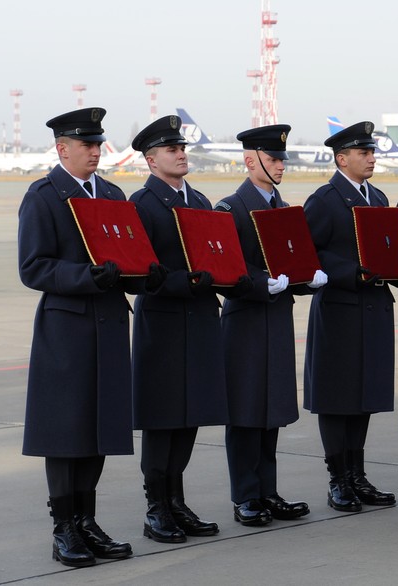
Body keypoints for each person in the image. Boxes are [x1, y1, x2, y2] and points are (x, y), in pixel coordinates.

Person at [17, 107, 137, 567]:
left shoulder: (110, 193)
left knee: (99, 427)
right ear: (61, 148)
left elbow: (127, 249)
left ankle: (87, 520)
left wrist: (140, 273)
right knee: (67, 430)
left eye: (97, 143)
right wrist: (86, 275)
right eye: (85, 144)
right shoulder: (44, 196)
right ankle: (64, 526)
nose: (94, 151)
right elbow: (33, 267)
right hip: (67, 327)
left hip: (107, 323)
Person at [129, 115, 250, 544]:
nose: (181, 154)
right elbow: (139, 270)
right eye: (170, 150)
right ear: (150, 159)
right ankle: (156, 506)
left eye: (181, 148)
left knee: (190, 416)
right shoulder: (142, 204)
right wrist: (185, 281)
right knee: (164, 419)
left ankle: (176, 500)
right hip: (163, 323)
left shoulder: (199, 200)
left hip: (199, 320)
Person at [215, 125, 327, 526]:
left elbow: (292, 257)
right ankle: (245, 495)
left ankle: (268, 490)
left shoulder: (282, 209)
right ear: (251, 160)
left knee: (271, 411)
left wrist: (306, 277)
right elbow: (227, 266)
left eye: (282, 159)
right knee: (246, 412)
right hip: (245, 321)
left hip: (276, 319)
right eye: (273, 158)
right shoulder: (230, 208)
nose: (281, 166)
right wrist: (263, 281)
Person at [304, 121, 398, 512]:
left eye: (372, 152)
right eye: (364, 153)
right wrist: (349, 272)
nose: (372, 158)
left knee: (365, 396)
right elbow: (310, 253)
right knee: (338, 398)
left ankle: (358, 475)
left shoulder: (377, 197)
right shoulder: (324, 200)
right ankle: (338, 478)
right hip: (341, 309)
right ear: (342, 159)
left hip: (374, 307)